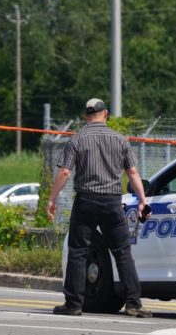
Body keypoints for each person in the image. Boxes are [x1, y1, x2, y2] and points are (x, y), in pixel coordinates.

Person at [46, 98, 151, 317]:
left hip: (86, 200)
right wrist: (143, 200)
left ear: (86, 116)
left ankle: (74, 304)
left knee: (78, 251)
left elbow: (65, 172)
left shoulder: (77, 139)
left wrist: (52, 199)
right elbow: (132, 173)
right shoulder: (120, 140)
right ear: (106, 114)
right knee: (122, 252)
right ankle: (133, 303)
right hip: (112, 201)